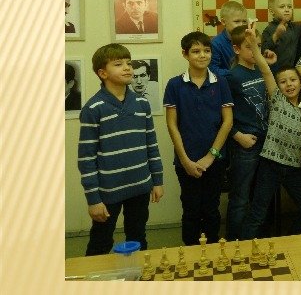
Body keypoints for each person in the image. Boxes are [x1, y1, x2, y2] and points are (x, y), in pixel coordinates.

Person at [77, 43, 164, 255]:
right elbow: (86, 159)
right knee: (100, 242)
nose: (127, 67)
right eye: (118, 64)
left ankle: (137, 275)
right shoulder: (93, 108)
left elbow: (151, 145)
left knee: (138, 237)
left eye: (128, 63)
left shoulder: (142, 104)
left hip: (140, 187)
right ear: (103, 73)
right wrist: (93, 200)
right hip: (108, 192)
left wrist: (157, 181)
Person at [240, 24, 301, 239]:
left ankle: (288, 243)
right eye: (283, 82)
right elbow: (265, 69)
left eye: (293, 80)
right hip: (270, 165)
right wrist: (254, 45)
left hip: (293, 168)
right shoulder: (277, 99)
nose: (288, 85)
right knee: (258, 213)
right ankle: (243, 250)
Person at [164, 32, 233, 245]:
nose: (202, 55)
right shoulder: (175, 85)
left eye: (206, 50)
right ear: (185, 54)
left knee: (212, 210)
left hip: (215, 160)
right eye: (196, 51)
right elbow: (172, 125)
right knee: (191, 210)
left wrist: (211, 156)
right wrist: (185, 160)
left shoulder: (221, 82)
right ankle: (191, 254)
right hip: (186, 161)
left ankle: (211, 252)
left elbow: (227, 122)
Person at [224, 24, 276, 240]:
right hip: (246, 144)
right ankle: (235, 243)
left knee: (263, 196)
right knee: (240, 198)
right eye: (249, 46)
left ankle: (260, 239)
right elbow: (220, 114)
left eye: (258, 46)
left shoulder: (262, 70)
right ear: (236, 49)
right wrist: (238, 135)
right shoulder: (232, 76)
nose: (255, 50)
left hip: (266, 141)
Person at [261, 0, 301, 68]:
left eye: (289, 7)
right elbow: (263, 50)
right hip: (276, 71)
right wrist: (276, 35)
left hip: (293, 71)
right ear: (272, 11)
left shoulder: (295, 28)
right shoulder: (269, 30)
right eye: (282, 7)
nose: (287, 10)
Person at [209, 1, 248, 77]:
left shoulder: (248, 38)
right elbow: (212, 69)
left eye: (244, 21)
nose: (241, 25)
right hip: (227, 81)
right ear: (223, 22)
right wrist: (236, 73)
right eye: (237, 21)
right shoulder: (216, 43)